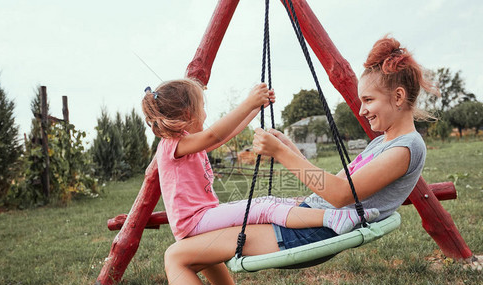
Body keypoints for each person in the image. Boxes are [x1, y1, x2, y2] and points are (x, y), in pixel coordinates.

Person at [162, 35, 437, 285]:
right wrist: (290, 148)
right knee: (191, 248)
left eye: (368, 100)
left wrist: (281, 154)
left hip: (315, 232)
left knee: (176, 256)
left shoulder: (406, 148)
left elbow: (342, 193)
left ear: (398, 97)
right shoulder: (385, 143)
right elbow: (334, 184)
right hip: (311, 220)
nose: (361, 110)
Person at [142, 79, 379, 244]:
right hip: (193, 221)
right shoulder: (173, 145)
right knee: (262, 208)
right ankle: (333, 218)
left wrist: (256, 109)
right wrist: (248, 102)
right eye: (202, 107)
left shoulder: (187, 142)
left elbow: (224, 135)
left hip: (202, 214)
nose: (205, 114)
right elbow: (214, 134)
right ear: (187, 114)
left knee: (266, 201)